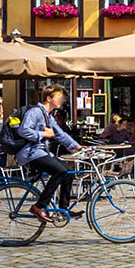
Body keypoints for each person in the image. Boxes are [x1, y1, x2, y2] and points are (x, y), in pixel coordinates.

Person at [16, 84, 87, 223]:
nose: (62, 101)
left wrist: (78, 147)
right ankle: (39, 206)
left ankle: (63, 210)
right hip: (31, 153)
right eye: (59, 98)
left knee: (69, 172)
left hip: (41, 152)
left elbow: (60, 135)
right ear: (49, 98)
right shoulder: (35, 112)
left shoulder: (48, 116)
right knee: (60, 171)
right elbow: (23, 130)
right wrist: (43, 133)